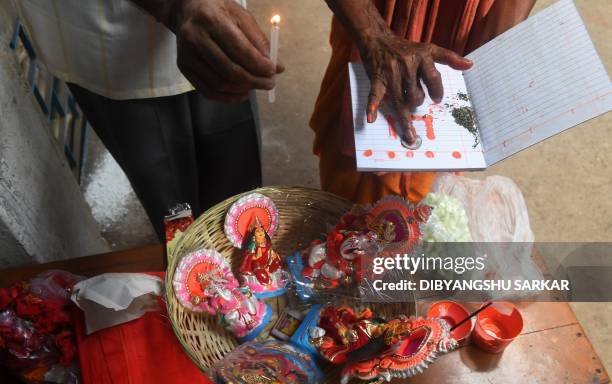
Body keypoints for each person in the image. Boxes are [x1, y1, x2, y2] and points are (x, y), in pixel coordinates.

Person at [15, 0, 283, 240]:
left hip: (218, 24)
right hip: (109, 43)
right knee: (173, 210)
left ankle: (247, 267)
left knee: (238, 193)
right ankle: (192, 276)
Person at [311, 0, 535, 204]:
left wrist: (501, 35)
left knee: (437, 167)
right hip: (371, 15)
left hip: (466, 20)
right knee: (350, 200)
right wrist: (375, 39)